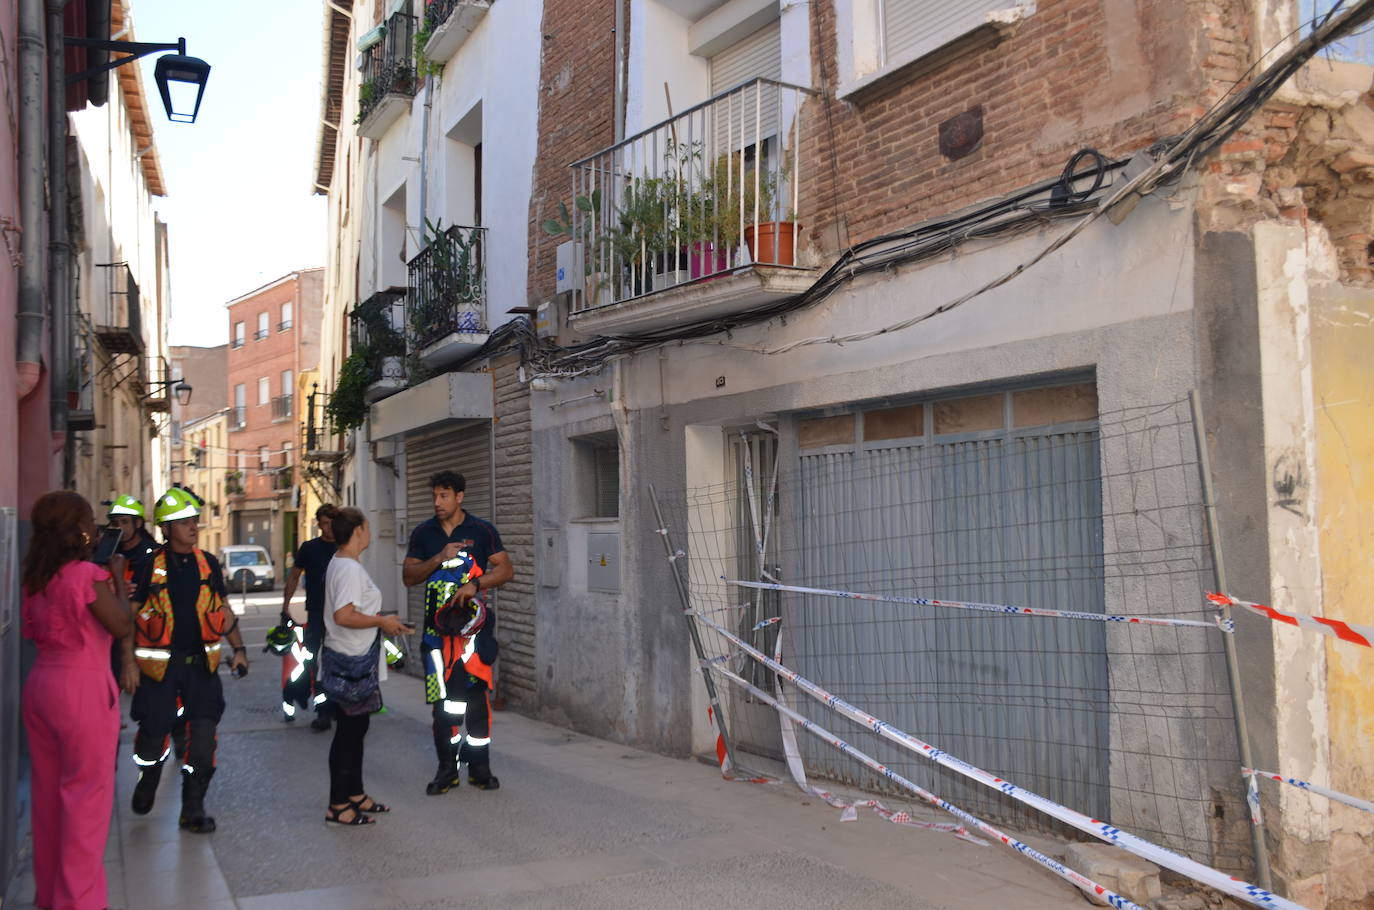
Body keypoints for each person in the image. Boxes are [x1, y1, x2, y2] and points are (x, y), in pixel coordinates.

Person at [21, 490, 133, 910]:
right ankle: (80, 902)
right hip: (81, 691)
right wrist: (118, 579)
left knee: (48, 802)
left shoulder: (37, 580)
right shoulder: (87, 576)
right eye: (88, 521)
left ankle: (49, 898)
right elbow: (121, 624)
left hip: (41, 687)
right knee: (86, 805)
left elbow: (33, 633)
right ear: (79, 531)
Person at [128, 486, 249, 833]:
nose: (193, 526)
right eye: (183, 522)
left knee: (204, 738)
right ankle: (148, 778)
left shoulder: (207, 563)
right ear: (166, 528)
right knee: (152, 733)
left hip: (202, 668)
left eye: (194, 520)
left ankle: (192, 807)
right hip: (159, 669)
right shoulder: (149, 564)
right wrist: (126, 662)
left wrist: (239, 650)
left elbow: (222, 611)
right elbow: (131, 615)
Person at [403, 470, 514, 795]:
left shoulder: (481, 531)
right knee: (442, 707)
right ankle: (447, 770)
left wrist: (475, 584)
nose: (437, 502)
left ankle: (480, 769)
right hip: (435, 638)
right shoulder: (424, 533)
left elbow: (506, 569)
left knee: (478, 702)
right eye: (435, 496)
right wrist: (438, 557)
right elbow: (409, 577)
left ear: (460, 496)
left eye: (444, 496)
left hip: (473, 636)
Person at [321, 507, 413, 825]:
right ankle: (338, 805)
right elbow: (343, 615)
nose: (370, 533)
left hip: (355, 657)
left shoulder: (346, 564)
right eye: (368, 527)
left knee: (357, 729)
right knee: (348, 733)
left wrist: (384, 622)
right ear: (358, 530)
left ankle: (355, 794)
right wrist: (380, 621)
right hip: (350, 661)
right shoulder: (347, 568)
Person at [279, 503, 340, 728]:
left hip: (340, 615)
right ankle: (321, 708)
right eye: (324, 523)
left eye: (333, 523)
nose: (329, 528)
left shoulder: (344, 547)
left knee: (337, 661)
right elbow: (294, 577)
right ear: (319, 524)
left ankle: (330, 704)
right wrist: (285, 607)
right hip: (316, 613)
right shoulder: (309, 548)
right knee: (313, 662)